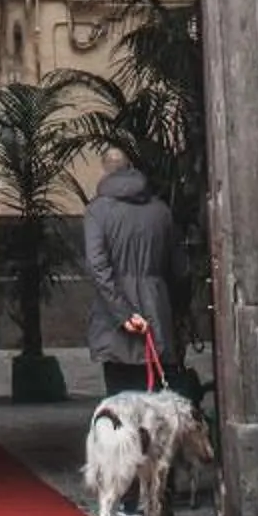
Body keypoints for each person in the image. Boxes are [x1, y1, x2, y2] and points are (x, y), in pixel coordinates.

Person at [83, 145, 183, 395]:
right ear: (130, 168)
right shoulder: (161, 211)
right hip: (157, 310)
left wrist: (123, 314)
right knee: (155, 404)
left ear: (105, 171)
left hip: (115, 322)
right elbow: (179, 267)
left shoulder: (97, 211)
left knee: (120, 400)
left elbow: (97, 265)